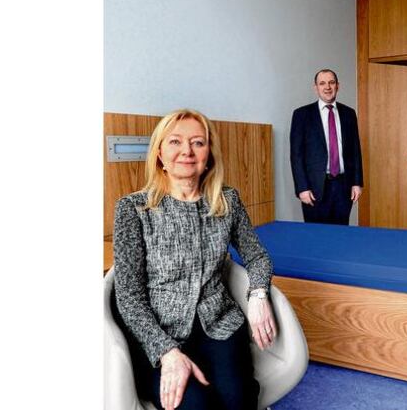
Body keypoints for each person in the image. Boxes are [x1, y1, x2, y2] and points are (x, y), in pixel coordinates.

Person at [113, 109, 276, 410]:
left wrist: (258, 294)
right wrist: (167, 352)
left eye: (198, 143)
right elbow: (128, 296)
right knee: (196, 406)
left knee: (238, 400)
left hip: (219, 323)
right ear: (159, 153)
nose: (187, 151)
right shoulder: (132, 209)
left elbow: (257, 256)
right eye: (175, 141)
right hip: (158, 331)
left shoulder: (227, 201)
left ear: (209, 155)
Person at [290, 69, 364, 225]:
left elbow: (355, 150)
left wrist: (357, 183)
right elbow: (296, 155)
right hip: (315, 188)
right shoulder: (301, 115)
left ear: (338, 86)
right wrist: (302, 188)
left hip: (343, 187)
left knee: (341, 235)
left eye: (331, 82)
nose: (327, 87)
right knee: (316, 238)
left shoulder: (349, 113)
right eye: (322, 83)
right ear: (315, 87)